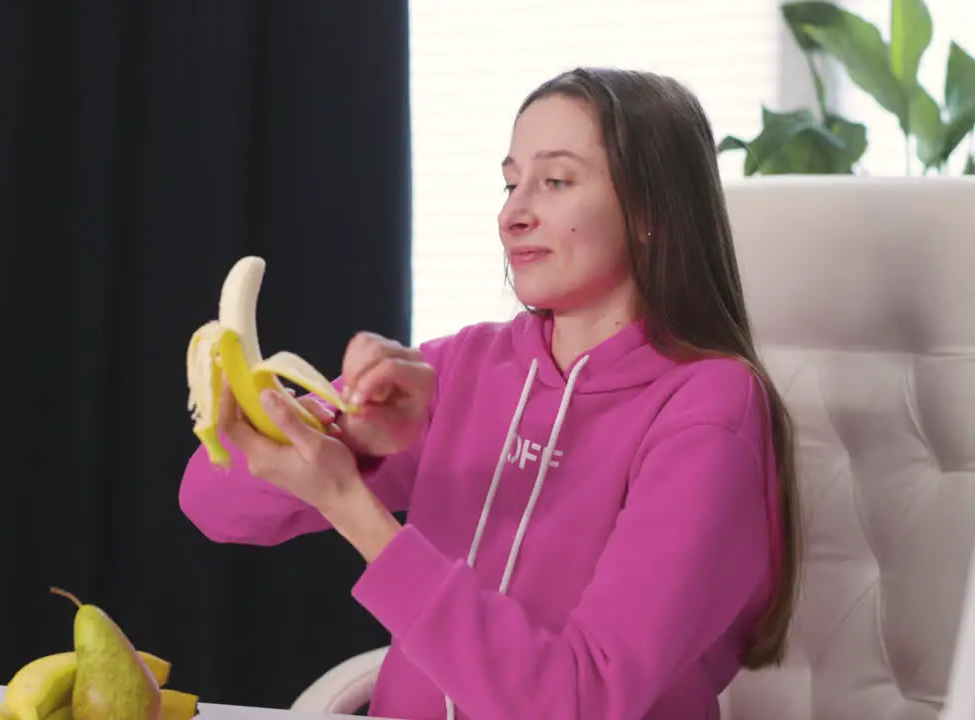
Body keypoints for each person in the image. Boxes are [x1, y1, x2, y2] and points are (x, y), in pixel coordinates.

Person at [177, 67, 802, 720]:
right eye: (510, 183)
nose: (513, 214)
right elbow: (211, 498)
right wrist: (356, 443)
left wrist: (351, 504)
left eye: (555, 182)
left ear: (650, 210)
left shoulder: (710, 409)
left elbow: (578, 702)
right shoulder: (461, 368)